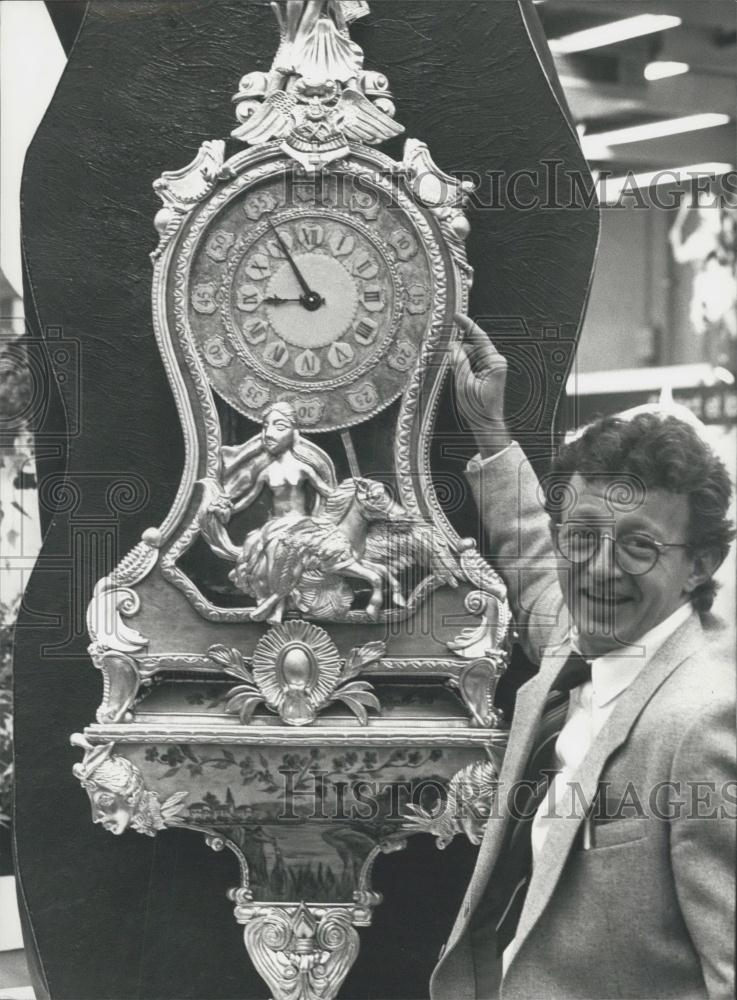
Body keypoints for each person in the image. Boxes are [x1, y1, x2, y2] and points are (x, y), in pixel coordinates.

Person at [430, 315, 736, 1000]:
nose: (598, 569)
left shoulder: (706, 722)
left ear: (699, 565)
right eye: (584, 535)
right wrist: (488, 432)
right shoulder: (586, 643)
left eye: (636, 546)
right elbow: (538, 565)